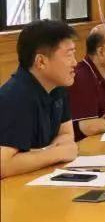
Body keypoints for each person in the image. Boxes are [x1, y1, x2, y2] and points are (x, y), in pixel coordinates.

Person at [0, 20, 79, 178]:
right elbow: (3, 165)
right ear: (41, 62)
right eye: (69, 55)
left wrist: (57, 149)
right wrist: (56, 153)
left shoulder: (56, 86)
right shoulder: (15, 97)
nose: (75, 62)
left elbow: (66, 134)